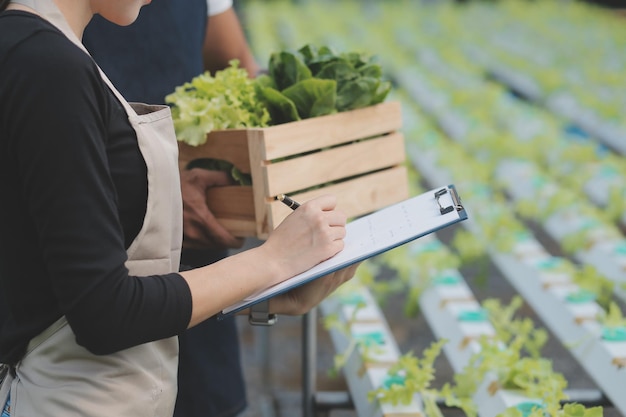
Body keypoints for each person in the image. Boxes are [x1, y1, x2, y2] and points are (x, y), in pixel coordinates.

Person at [0, 1, 358, 417]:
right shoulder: (49, 67)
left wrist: (264, 295)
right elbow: (104, 314)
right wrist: (272, 260)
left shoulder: (35, 49)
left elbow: (72, 286)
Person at [82, 2, 261, 416]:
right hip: (85, 241)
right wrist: (155, 184)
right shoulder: (38, 42)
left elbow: (236, 64)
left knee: (198, 393)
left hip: (191, 254)